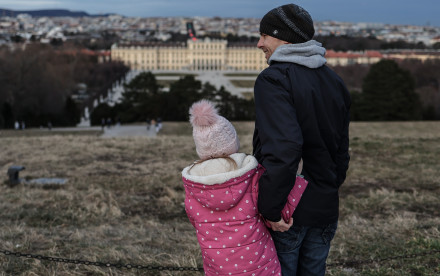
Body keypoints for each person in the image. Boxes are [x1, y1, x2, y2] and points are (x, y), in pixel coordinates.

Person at [252, 4, 351, 276]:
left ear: (284, 39)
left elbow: (284, 149)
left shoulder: (273, 79)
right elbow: (342, 150)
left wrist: (271, 209)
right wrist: (328, 189)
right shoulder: (334, 81)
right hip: (325, 206)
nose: (259, 44)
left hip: (288, 212)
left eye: (264, 36)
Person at [182, 100, 308, 276]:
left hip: (218, 266)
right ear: (231, 143)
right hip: (259, 264)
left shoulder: (193, 186)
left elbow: (194, 220)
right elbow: (270, 205)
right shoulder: (251, 175)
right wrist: (297, 180)